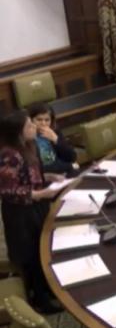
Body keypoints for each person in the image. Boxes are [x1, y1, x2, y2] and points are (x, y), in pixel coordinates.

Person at [0, 111, 63, 314]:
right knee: (32, 255)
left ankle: (49, 290)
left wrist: (49, 177)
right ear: (19, 132)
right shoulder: (9, 155)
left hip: (37, 206)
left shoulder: (29, 146)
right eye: (29, 126)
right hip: (21, 214)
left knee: (44, 247)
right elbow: (8, 190)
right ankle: (40, 300)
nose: (34, 128)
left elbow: (30, 176)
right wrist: (38, 194)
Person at [27, 102, 78, 177]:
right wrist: (69, 166)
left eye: (47, 120)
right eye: (39, 120)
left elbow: (72, 157)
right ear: (31, 120)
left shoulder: (54, 132)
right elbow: (35, 168)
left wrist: (56, 139)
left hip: (60, 171)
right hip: (44, 176)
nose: (43, 123)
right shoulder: (28, 138)